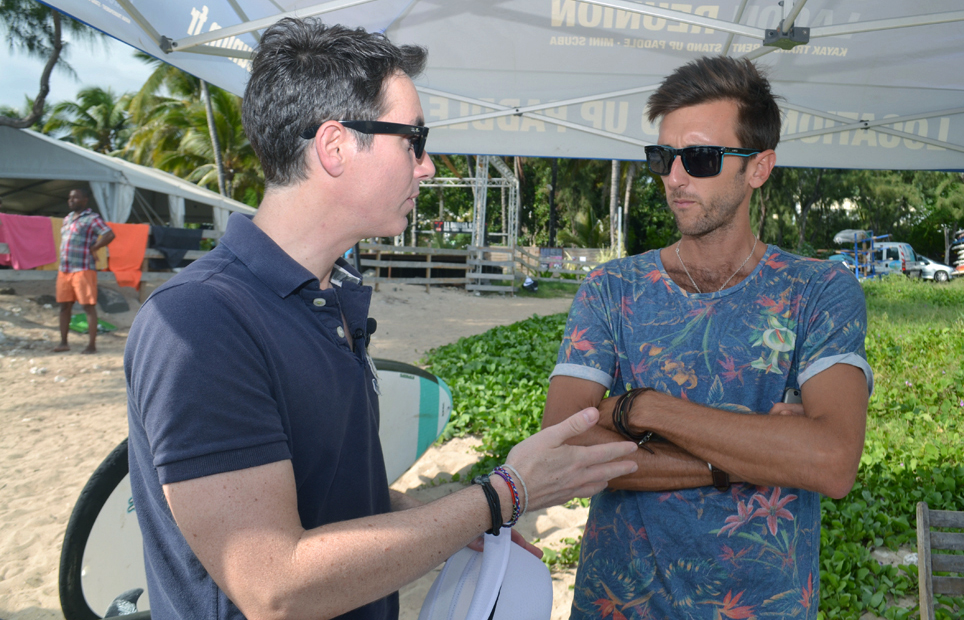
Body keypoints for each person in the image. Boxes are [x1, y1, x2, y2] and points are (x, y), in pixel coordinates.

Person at [125, 18, 638, 620]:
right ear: (336, 146)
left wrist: (456, 518)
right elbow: (275, 588)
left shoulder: (327, 299)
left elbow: (332, 497)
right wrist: (503, 495)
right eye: (413, 140)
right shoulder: (202, 322)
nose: (427, 165)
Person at [542, 56, 872, 619]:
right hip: (619, 605)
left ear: (759, 168)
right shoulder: (610, 289)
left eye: (699, 158)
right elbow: (563, 447)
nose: (675, 177)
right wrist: (756, 455)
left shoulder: (818, 291)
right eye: (663, 157)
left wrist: (645, 410)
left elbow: (832, 461)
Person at [53, 188, 114, 354]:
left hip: (83, 268)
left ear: (85, 200)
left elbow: (109, 234)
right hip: (65, 269)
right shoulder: (67, 219)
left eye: (76, 198)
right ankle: (63, 342)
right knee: (64, 306)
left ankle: (91, 345)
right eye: (70, 197)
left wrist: (94, 247)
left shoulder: (91, 218)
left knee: (88, 306)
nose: (71, 200)